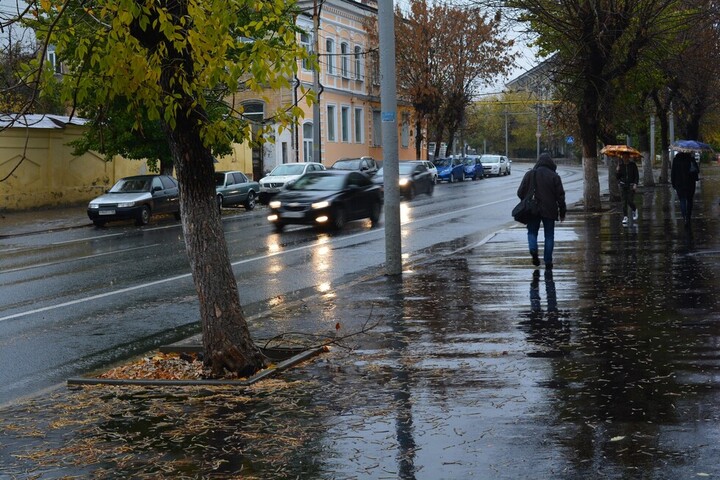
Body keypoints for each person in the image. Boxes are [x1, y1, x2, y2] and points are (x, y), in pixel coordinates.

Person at [517, 152, 566, 269]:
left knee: (532, 232)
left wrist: (527, 200)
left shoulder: (530, 174)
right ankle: (548, 261)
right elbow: (560, 196)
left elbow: (520, 192)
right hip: (550, 210)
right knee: (549, 235)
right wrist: (562, 212)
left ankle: (533, 249)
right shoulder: (554, 176)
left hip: (532, 209)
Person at [671, 151, 699, 226]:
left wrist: (673, 183)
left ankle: (685, 217)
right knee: (689, 200)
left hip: (679, 184)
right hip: (690, 183)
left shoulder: (676, 159)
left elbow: (673, 172)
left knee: (682, 200)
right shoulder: (691, 159)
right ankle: (688, 217)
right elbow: (697, 170)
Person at [616, 154, 639, 225]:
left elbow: (636, 175)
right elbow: (617, 177)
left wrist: (635, 184)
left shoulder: (633, 165)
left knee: (629, 200)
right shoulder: (621, 166)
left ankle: (634, 209)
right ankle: (625, 216)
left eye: (626, 157)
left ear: (628, 157)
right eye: (623, 157)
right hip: (623, 185)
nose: (624, 158)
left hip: (631, 185)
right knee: (624, 202)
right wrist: (617, 171)